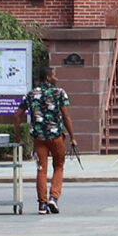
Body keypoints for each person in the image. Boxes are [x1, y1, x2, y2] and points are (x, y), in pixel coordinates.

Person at [18, 69, 75, 214]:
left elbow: (17, 115)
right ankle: (53, 198)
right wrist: (72, 136)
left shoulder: (31, 94)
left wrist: (18, 135)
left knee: (41, 169)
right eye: (54, 75)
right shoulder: (59, 92)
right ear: (48, 77)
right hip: (55, 136)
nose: (56, 77)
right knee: (59, 166)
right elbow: (66, 116)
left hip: (39, 138)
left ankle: (42, 204)